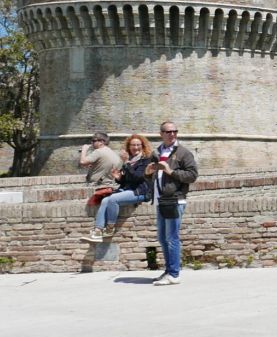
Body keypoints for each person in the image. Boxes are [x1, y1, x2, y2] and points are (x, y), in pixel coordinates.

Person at [148, 121, 198, 286]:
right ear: (161, 134)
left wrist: (171, 171)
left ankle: (174, 273)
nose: (172, 134)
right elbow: (153, 176)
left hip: (175, 199)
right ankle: (169, 271)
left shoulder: (183, 153)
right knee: (162, 238)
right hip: (160, 200)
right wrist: (147, 174)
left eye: (175, 131)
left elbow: (192, 175)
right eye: (168, 132)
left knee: (172, 237)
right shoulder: (157, 152)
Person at [81, 134, 153, 243]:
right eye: (133, 145)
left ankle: (110, 228)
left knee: (113, 199)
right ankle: (98, 231)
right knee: (105, 200)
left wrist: (127, 163)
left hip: (140, 191)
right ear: (129, 147)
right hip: (129, 190)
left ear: (143, 146)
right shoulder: (130, 160)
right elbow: (127, 180)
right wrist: (119, 178)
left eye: (138, 145)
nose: (136, 147)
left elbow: (138, 178)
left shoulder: (146, 160)